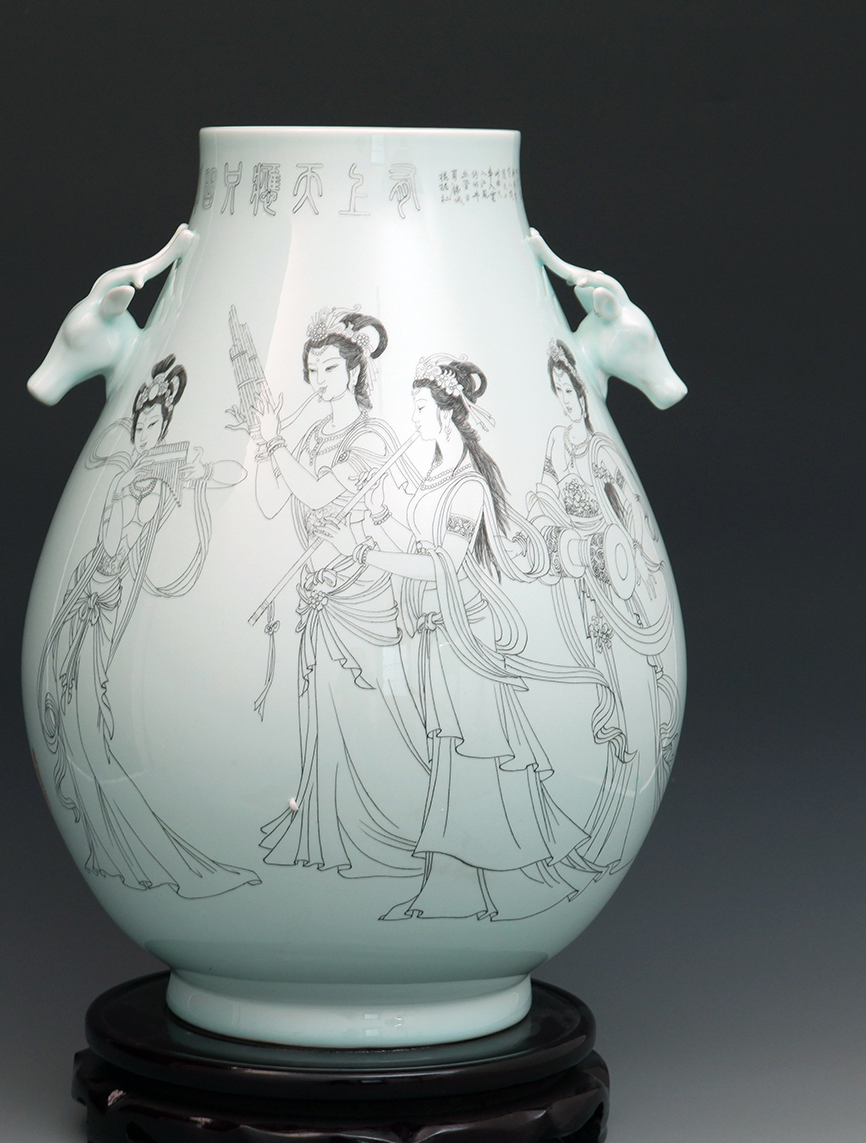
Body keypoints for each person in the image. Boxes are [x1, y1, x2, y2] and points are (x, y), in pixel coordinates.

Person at [361, 356, 610, 920]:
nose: (414, 419)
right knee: (454, 756)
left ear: (448, 412)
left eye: (420, 408)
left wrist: (374, 555)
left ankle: (473, 890)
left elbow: (444, 564)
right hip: (436, 633)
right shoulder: (435, 476)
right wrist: (377, 523)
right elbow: (421, 542)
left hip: (465, 635)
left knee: (475, 755)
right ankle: (455, 889)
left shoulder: (469, 485)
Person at [36, 356, 260, 898]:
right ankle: (109, 845)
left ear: (165, 428)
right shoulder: (129, 470)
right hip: (88, 590)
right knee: (72, 715)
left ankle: (142, 853)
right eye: (142, 423)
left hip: (107, 596)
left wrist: (184, 475)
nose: (145, 432)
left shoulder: (154, 483)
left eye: (155, 424)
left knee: (89, 721)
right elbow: (107, 456)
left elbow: (125, 542)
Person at [251, 308, 428, 879]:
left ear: (354, 372)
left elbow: (319, 494)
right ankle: (327, 828)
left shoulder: (372, 436)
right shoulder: (313, 436)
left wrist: (278, 445)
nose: (320, 380)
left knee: (368, 709)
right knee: (322, 710)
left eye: (329, 368)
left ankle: (399, 829)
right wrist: (268, 444)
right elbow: (271, 502)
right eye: (312, 370)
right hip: (319, 591)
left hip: (363, 587)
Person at [533, 340, 679, 868]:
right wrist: (556, 532)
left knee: (632, 694)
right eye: (557, 390)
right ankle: (604, 831)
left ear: (582, 389)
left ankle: (612, 835)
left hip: (617, 583)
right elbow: (543, 495)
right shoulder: (556, 442)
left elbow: (630, 516)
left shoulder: (599, 450)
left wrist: (626, 562)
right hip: (584, 588)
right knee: (608, 688)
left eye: (570, 389)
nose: (566, 399)